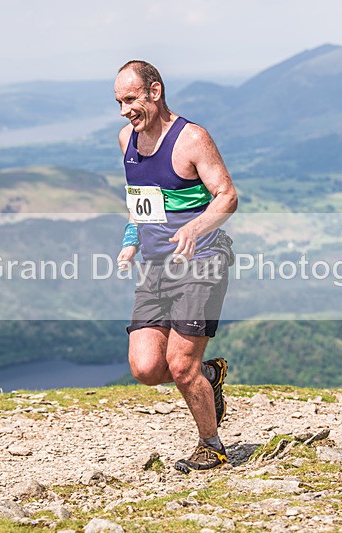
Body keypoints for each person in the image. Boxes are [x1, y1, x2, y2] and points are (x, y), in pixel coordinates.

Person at [113, 60, 238, 471]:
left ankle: (211, 444)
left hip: (201, 262)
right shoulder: (125, 141)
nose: (124, 111)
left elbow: (227, 196)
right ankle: (209, 377)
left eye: (131, 99)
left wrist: (196, 228)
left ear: (155, 91)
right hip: (156, 268)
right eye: (119, 102)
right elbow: (140, 205)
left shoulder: (192, 139)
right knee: (147, 368)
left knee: (181, 366)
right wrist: (131, 243)